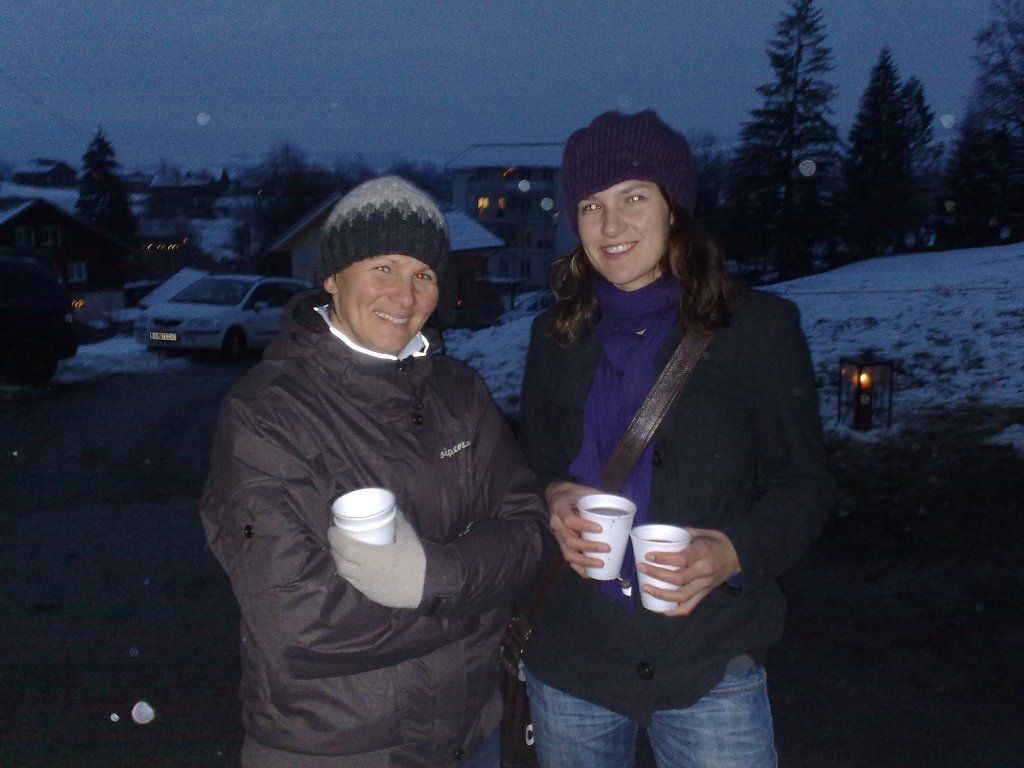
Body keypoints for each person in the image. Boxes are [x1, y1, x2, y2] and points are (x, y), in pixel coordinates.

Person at [199, 176, 552, 768]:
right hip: (338, 746)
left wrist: (434, 577)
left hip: (471, 734)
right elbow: (298, 621)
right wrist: (479, 598)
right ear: (333, 277)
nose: (405, 295)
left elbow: (530, 529)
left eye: (424, 274)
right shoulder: (266, 413)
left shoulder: (460, 392)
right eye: (383, 267)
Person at [518, 110, 835, 768]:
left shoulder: (756, 329)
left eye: (634, 197)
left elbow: (804, 486)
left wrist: (734, 551)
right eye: (591, 205)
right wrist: (550, 494)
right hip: (572, 658)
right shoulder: (555, 335)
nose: (611, 226)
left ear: (674, 209)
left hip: (709, 660)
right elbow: (534, 458)